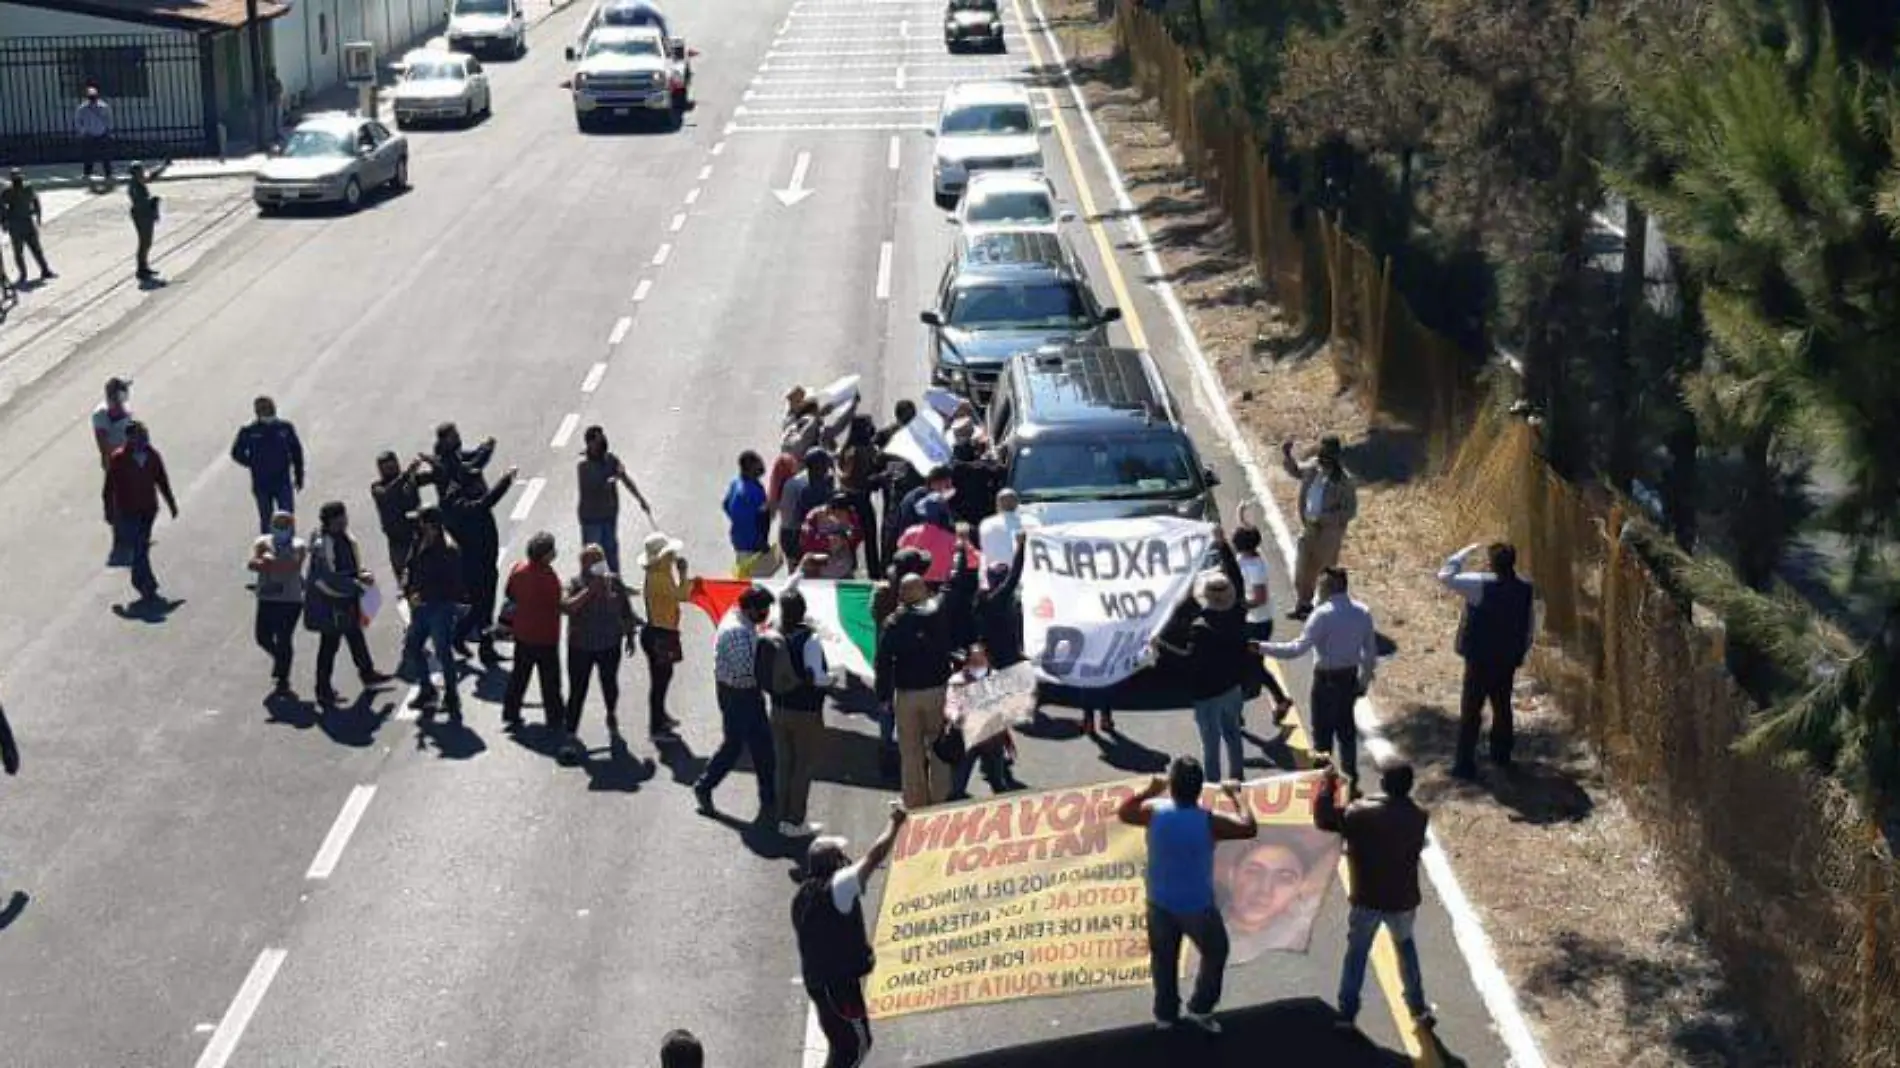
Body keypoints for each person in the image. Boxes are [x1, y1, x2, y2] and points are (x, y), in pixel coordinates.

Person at [1116, 757, 1258, 1033]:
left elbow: (1124, 812)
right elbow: (1248, 826)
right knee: (1216, 951)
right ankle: (1200, 1007)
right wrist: (1237, 796)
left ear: (1172, 787)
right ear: (1199, 790)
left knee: (1164, 960)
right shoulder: (1208, 821)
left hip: (1159, 903)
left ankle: (1165, 1015)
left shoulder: (1155, 813)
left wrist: (1150, 790)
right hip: (1196, 906)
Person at [1313, 759, 1434, 1033]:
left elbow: (1323, 817)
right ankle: (1418, 1008)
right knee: (1406, 949)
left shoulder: (1358, 814)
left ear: (1382, 783)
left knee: (1356, 954)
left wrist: (1327, 783)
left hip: (1367, 897)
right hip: (1402, 899)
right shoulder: (1419, 816)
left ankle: (1347, 1011)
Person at [794, 805, 908, 1068]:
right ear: (833, 862)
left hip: (822, 984)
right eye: (841, 855)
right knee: (854, 1047)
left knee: (841, 1045)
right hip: (838, 987)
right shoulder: (838, 886)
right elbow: (874, 856)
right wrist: (895, 822)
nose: (846, 859)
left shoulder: (803, 895)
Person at [1260, 567, 1379, 793]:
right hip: (1349, 678)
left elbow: (1296, 649)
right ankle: (1351, 781)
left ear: (1328, 587)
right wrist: (1363, 682)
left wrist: (1262, 647)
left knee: (1322, 735)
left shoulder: (1322, 615)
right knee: (1346, 732)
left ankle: (1324, 785)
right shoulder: (1362, 612)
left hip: (1326, 681)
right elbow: (1370, 653)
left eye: (1320, 586)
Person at [1439, 541, 1535, 779]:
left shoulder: (1480, 584)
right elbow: (1530, 626)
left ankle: (1465, 763)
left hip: (1479, 658)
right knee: (1502, 707)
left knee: (1471, 710)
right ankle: (1501, 755)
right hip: (1506, 659)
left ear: (1491, 563)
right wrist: (1520, 652)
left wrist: (1462, 552)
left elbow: (1445, 575)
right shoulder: (1524, 588)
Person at [694, 585, 778, 821]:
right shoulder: (738, 633)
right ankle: (705, 785)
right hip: (739, 695)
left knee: (762, 746)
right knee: (736, 746)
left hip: (741, 693)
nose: (766, 614)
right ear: (750, 608)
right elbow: (746, 673)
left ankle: (769, 796)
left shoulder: (740, 617)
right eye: (762, 610)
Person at [876, 573, 955, 808]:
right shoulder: (939, 613)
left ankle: (914, 801)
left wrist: (883, 695)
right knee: (939, 747)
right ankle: (941, 798)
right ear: (923, 591)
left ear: (901, 595)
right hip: (938, 692)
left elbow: (882, 662)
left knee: (911, 752)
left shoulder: (893, 624)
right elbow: (950, 588)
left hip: (907, 695)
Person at [761, 588, 830, 837]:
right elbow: (818, 678)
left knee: (784, 763)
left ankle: (781, 815)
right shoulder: (810, 640)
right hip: (806, 713)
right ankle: (795, 821)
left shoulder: (774, 633)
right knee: (803, 766)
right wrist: (830, 679)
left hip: (778, 709)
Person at [305, 501, 388, 703]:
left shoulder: (342, 537)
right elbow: (326, 579)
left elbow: (350, 566)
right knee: (329, 645)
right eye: (339, 520)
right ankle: (323, 689)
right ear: (329, 522)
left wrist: (361, 575)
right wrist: (356, 584)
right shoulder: (323, 545)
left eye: (344, 518)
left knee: (355, 634)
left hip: (345, 599)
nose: (344, 523)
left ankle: (367, 673)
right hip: (330, 603)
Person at [442, 463, 517, 665]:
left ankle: (484, 647)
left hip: (486, 562)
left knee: (484, 608)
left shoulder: (465, 500)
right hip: (475, 567)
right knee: (480, 608)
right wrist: (506, 480)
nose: (483, 486)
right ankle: (461, 637)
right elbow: (487, 502)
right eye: (478, 484)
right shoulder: (462, 506)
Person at [563, 543, 639, 740]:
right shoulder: (574, 584)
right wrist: (590, 590)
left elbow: (626, 610)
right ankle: (571, 732)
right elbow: (568, 607)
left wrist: (630, 636)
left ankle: (611, 713)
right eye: (592, 561)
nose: (597, 565)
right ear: (583, 564)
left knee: (609, 683)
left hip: (609, 643)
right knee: (577, 689)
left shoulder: (614, 582)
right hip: (581, 646)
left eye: (599, 560)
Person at [400, 504, 466, 716]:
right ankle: (427, 690)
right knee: (413, 646)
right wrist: (407, 586)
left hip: (440, 607)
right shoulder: (419, 539)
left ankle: (451, 696)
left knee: (443, 652)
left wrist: (423, 595)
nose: (418, 525)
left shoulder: (448, 550)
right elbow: (410, 565)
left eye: (422, 522)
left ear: (432, 525)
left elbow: (453, 585)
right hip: (419, 605)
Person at [1282, 436, 1357, 619]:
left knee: (1324, 572)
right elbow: (1296, 471)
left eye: (1328, 454)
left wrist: (1328, 518)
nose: (1323, 458)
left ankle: (1323, 611)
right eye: (1322, 453)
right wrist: (1287, 455)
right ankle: (1303, 604)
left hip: (1329, 532)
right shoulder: (1314, 468)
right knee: (1302, 568)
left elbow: (1350, 510)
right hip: (1309, 527)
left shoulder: (1344, 481)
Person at [501, 532, 566, 743]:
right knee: (550, 680)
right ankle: (555, 717)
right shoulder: (549, 578)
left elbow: (510, 593)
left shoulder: (519, 569)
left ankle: (511, 712)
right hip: (545, 635)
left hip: (523, 632)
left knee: (519, 675)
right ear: (546, 555)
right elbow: (558, 603)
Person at [102, 420, 177, 600]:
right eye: (140, 435)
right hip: (128, 510)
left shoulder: (152, 455)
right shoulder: (119, 458)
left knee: (140, 547)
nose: (144, 438)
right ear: (130, 438)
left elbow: (162, 480)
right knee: (139, 546)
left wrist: (171, 503)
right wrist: (109, 512)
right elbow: (108, 488)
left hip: (148, 509)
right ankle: (147, 583)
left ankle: (140, 580)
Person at [1233, 513, 1294, 722]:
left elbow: (1260, 597)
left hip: (1257, 623)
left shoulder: (1255, 567)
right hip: (1250, 621)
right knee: (1249, 665)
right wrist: (1241, 516)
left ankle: (1240, 710)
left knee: (1251, 667)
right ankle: (1279, 700)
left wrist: (1239, 604)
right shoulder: (1245, 557)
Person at [576, 425, 652, 575]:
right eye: (597, 440)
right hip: (591, 518)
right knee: (592, 553)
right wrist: (611, 480)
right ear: (589, 443)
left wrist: (640, 499)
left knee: (611, 548)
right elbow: (593, 488)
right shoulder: (584, 467)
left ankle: (615, 581)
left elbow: (626, 479)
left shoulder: (610, 459)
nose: (602, 442)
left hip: (609, 514)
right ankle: (589, 583)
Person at [946, 643, 1018, 798]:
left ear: (987, 660)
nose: (977, 663)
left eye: (981, 658)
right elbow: (951, 704)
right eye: (973, 659)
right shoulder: (958, 680)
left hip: (992, 740)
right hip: (967, 740)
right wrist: (956, 717)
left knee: (997, 781)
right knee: (957, 786)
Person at [249, 510, 307, 694]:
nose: (281, 529)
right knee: (262, 637)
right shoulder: (263, 542)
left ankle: (282, 678)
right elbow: (252, 563)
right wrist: (264, 562)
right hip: (267, 597)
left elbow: (292, 567)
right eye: (277, 525)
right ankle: (280, 659)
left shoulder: (298, 545)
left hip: (290, 599)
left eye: (285, 525)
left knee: (283, 638)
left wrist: (269, 563)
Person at [638, 531, 689, 740]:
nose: (672, 557)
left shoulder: (660, 573)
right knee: (660, 681)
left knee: (663, 678)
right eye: (668, 554)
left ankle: (660, 716)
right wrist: (684, 574)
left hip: (660, 631)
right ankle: (656, 727)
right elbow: (682, 595)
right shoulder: (659, 578)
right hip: (661, 633)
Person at [229, 396, 306, 535]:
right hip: (261, 484)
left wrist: (299, 476)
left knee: (287, 516)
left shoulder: (285, 428)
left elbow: (296, 452)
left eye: (269, 407)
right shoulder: (249, 431)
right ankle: (267, 548)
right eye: (263, 408)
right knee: (266, 519)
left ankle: (289, 547)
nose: (267, 410)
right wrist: (253, 463)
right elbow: (236, 452)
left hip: (282, 481)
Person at [835, 414, 883, 580]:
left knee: (849, 537)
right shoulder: (871, 448)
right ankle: (874, 573)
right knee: (870, 537)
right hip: (865, 496)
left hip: (850, 498)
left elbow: (846, 476)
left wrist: (836, 469)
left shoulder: (852, 450)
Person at [370, 451, 429, 583]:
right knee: (406, 581)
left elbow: (435, 476)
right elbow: (386, 495)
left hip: (420, 536)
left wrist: (431, 461)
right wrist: (406, 475)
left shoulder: (409, 480)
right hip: (399, 543)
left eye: (393, 467)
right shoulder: (378, 488)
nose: (391, 471)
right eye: (386, 469)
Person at [723, 449, 775, 577]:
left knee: (743, 571)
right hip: (751, 545)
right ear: (749, 468)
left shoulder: (736, 483)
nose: (762, 466)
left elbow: (725, 504)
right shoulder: (751, 491)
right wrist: (761, 543)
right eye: (758, 464)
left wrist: (736, 521)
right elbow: (761, 518)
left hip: (739, 539)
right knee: (751, 579)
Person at [778, 448, 835, 562]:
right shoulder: (807, 488)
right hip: (797, 537)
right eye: (825, 466)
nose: (827, 470)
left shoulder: (796, 481)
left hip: (790, 534)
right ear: (818, 467)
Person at [1, 169, 54, 283]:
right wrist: (4, 222)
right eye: (15, 178)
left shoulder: (27, 188)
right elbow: (2, 208)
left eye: (18, 177)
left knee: (36, 249)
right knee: (19, 252)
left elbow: (36, 201)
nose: (17, 180)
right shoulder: (8, 192)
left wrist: (39, 216)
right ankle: (23, 274)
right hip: (16, 225)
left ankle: (45, 270)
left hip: (27, 222)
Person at [799, 492, 864, 579]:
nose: (842, 517)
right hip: (819, 572)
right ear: (832, 510)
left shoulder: (850, 516)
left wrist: (848, 538)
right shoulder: (815, 516)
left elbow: (858, 534)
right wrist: (827, 542)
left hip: (844, 569)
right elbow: (806, 541)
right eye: (839, 514)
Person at [430, 422, 495, 494]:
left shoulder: (453, 453)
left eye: (457, 434)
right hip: (462, 501)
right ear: (444, 441)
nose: (458, 436)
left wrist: (483, 446)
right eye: (453, 436)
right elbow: (473, 466)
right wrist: (487, 449)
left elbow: (472, 455)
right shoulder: (445, 461)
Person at [977, 489, 1023, 583]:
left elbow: (984, 547)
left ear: (998, 504)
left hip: (990, 575)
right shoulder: (1026, 523)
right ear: (1017, 504)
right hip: (1017, 576)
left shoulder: (986, 523)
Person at [92, 376, 134, 469]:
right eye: (124, 390)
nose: (127, 392)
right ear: (118, 394)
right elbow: (103, 444)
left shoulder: (126, 407)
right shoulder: (102, 414)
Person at [127, 163, 159, 280]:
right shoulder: (135, 186)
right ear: (135, 173)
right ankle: (141, 269)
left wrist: (161, 168)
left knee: (147, 242)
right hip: (141, 215)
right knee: (144, 242)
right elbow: (140, 202)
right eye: (140, 171)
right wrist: (152, 202)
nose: (143, 172)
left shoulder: (137, 182)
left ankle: (144, 266)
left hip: (145, 214)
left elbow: (149, 178)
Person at [76, 86, 113, 182]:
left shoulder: (104, 107)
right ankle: (87, 173)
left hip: (102, 133)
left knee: (105, 156)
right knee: (88, 156)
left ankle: (108, 174)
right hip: (89, 134)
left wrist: (108, 130)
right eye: (91, 97)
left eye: (94, 96)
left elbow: (109, 119)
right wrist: (83, 132)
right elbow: (78, 121)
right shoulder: (82, 108)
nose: (92, 99)